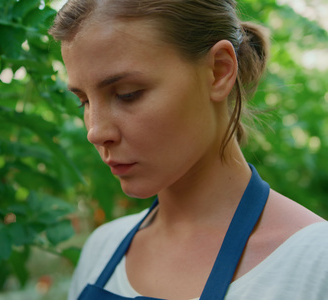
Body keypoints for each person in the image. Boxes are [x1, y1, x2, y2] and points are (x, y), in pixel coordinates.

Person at [48, 0, 328, 299]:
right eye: (85, 102)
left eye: (128, 94)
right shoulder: (102, 248)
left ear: (219, 71)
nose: (96, 131)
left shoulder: (315, 264)